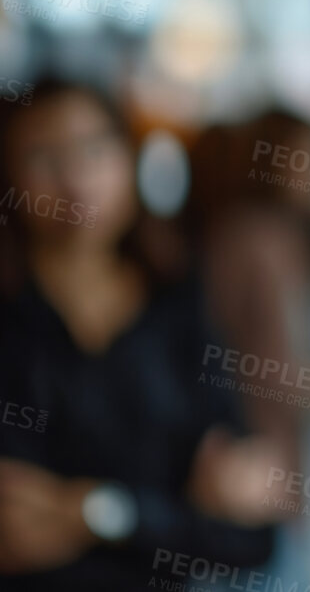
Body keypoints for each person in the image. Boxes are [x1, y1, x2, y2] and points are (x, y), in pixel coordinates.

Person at [0, 77, 278, 588]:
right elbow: (13, 535)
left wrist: (96, 511)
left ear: (130, 161)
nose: (75, 179)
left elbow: (246, 530)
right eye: (43, 156)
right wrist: (170, 513)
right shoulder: (14, 327)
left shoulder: (178, 309)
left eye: (94, 149)